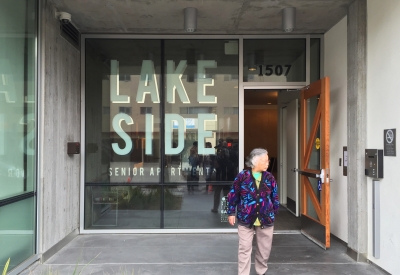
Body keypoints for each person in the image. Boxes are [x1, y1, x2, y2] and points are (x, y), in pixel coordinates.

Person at [227, 148, 279, 275]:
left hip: (265, 219)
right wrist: (231, 212)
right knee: (244, 249)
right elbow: (233, 194)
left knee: (264, 250)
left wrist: (273, 213)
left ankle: (261, 271)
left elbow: (275, 197)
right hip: (246, 218)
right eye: (265, 161)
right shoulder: (243, 176)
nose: (268, 163)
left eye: (268, 160)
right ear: (256, 162)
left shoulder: (269, 177)